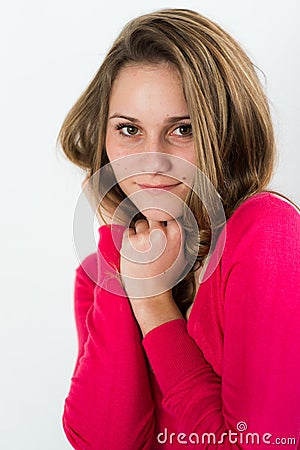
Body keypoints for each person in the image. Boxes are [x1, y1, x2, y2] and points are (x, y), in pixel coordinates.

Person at [58, 8, 300, 449]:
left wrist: (154, 308)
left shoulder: (267, 234)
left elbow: (265, 443)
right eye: (129, 129)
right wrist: (120, 251)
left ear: (227, 134)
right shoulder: (97, 275)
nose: (151, 159)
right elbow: (105, 442)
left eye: (182, 129)